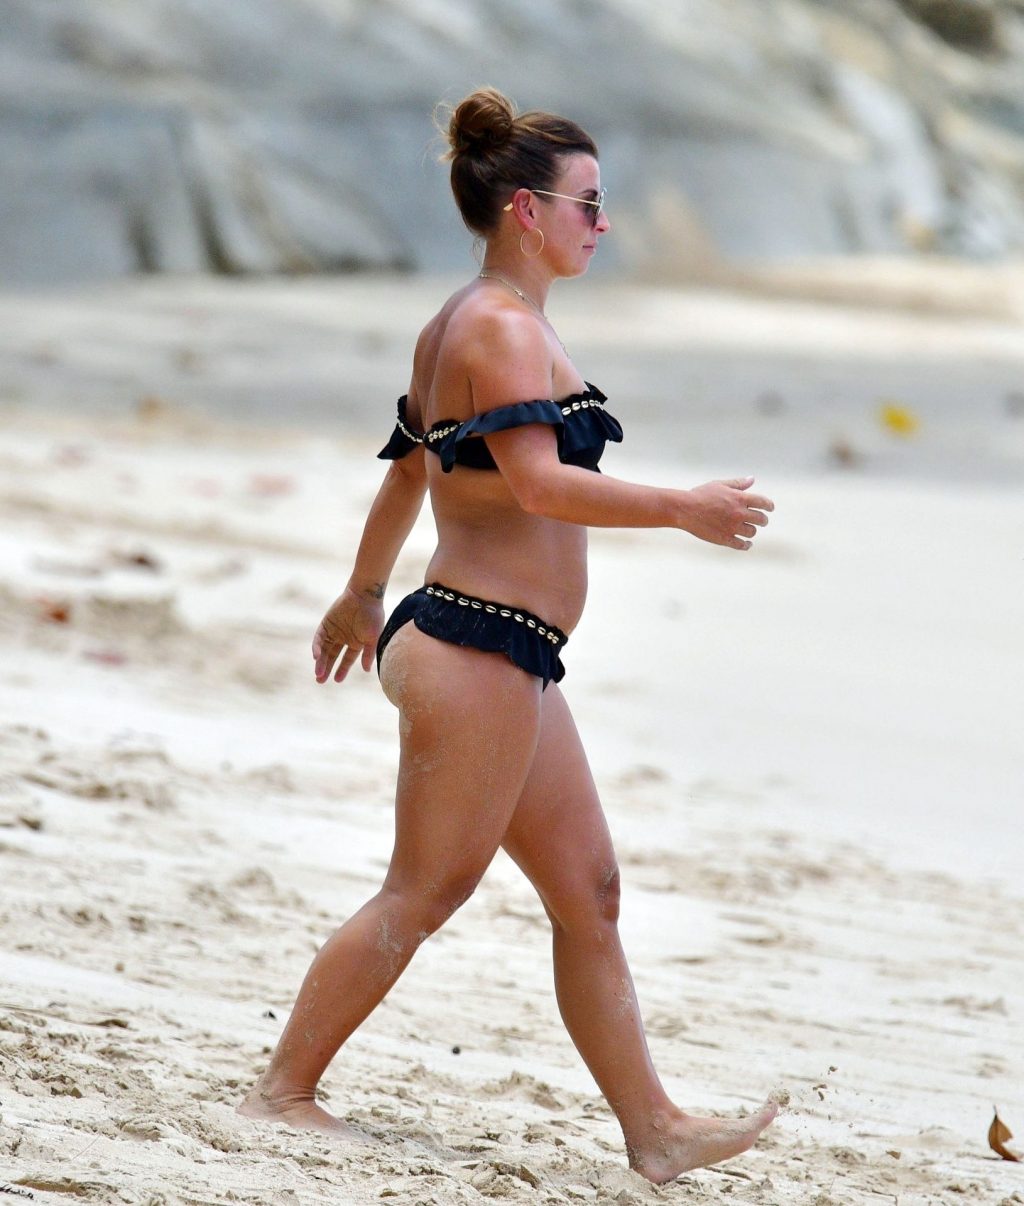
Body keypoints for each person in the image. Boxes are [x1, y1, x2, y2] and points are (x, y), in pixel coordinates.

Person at [239, 86, 778, 1184]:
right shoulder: (495, 328)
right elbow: (535, 484)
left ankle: (656, 1131)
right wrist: (680, 506)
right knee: (424, 890)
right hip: (471, 648)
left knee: (591, 893)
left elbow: (409, 471)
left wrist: (360, 593)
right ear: (527, 211)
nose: (604, 223)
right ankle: (282, 1092)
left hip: (508, 653)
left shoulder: (479, 320)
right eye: (589, 202)